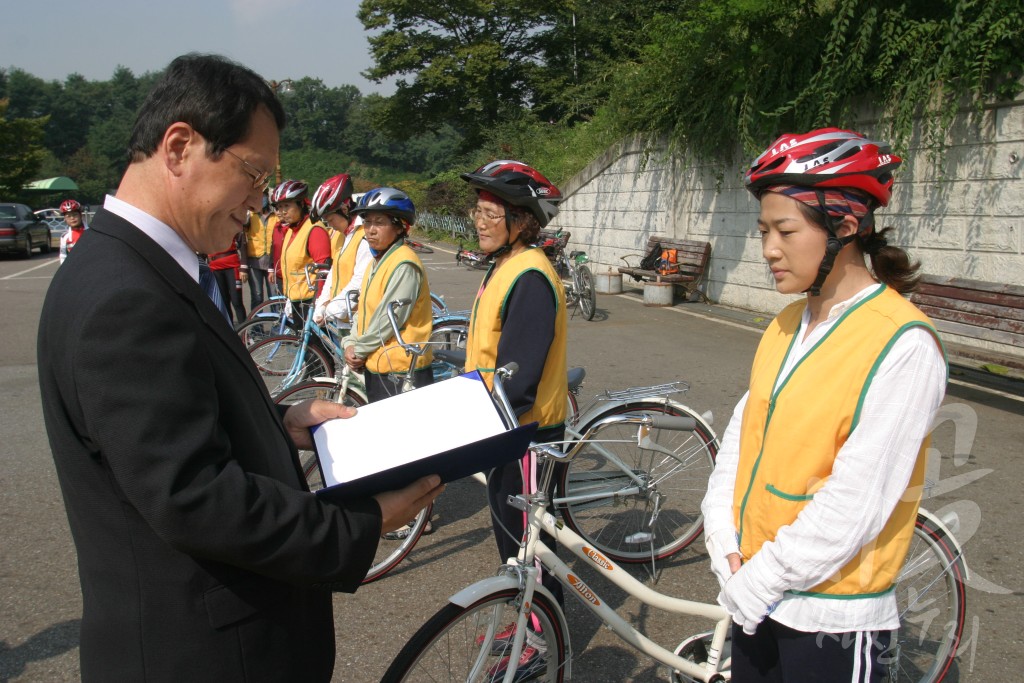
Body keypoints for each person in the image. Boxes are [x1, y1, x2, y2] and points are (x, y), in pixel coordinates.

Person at [36, 53, 443, 683]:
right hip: (204, 654)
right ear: (180, 146)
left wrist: (277, 420)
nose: (258, 205)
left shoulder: (130, 266)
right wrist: (359, 527)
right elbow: (192, 496)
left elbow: (166, 426)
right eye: (253, 176)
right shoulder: (126, 293)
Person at [700, 128, 947, 681]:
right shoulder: (788, 322)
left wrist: (759, 579)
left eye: (785, 230)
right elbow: (744, 433)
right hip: (754, 594)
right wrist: (721, 538)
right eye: (763, 230)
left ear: (846, 227)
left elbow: (857, 501)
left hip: (832, 614)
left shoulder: (903, 343)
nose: (768, 249)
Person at [460, 160, 569, 681]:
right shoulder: (505, 266)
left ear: (521, 220)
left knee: (532, 546)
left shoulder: (530, 276)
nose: (478, 221)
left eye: (489, 212)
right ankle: (526, 622)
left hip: (526, 435)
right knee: (513, 541)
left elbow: (518, 380)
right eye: (476, 210)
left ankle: (543, 641)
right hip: (501, 430)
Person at [340, 187, 434, 403]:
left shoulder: (404, 263)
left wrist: (359, 349)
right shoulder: (378, 261)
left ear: (400, 227)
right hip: (380, 363)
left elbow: (388, 319)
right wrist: (351, 341)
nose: (370, 230)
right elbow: (365, 310)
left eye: (379, 222)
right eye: (367, 222)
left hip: (401, 370)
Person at [310, 173, 373, 325]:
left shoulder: (364, 236)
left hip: (360, 319)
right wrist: (322, 303)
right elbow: (334, 271)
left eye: (330, 219)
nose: (329, 225)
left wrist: (331, 309)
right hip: (342, 315)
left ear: (344, 209)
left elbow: (360, 280)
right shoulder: (340, 235)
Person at [270, 179, 331, 328]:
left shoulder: (314, 230)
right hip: (296, 299)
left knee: (314, 349)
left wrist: (320, 304)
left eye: (287, 206)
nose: (282, 211)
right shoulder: (291, 230)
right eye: (279, 207)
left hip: (310, 302)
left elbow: (323, 270)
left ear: (301, 204)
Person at [207, 231, 247, 324]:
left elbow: (243, 245)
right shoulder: (206, 226)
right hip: (215, 268)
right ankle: (230, 331)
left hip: (232, 267)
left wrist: (243, 268)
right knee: (224, 302)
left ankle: (245, 333)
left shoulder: (229, 223)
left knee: (236, 301)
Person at [242, 195, 275, 307]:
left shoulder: (275, 216)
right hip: (254, 261)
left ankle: (277, 323)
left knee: (274, 296)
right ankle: (257, 324)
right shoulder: (250, 216)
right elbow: (242, 229)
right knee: (257, 296)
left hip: (272, 261)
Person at [58, 198, 87, 264]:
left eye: (75, 215)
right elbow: (63, 256)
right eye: (68, 216)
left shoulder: (92, 232)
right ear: (65, 219)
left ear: (81, 215)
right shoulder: (65, 237)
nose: (72, 218)